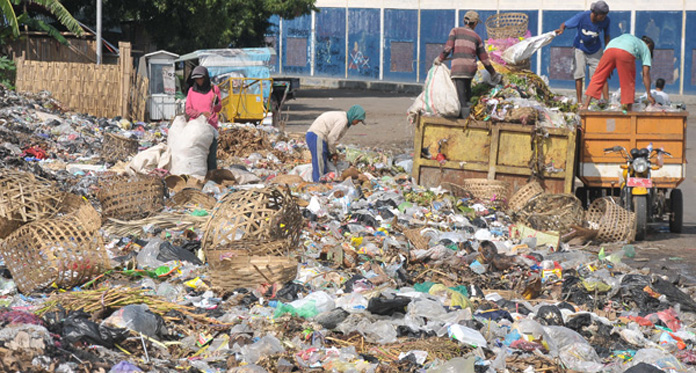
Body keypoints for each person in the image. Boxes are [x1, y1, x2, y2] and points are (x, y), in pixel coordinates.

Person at [434, 10, 500, 119]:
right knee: (467, 92)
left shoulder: (455, 31)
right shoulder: (476, 37)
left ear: (464, 20)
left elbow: (448, 48)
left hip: (458, 69)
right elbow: (485, 60)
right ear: (474, 23)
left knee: (461, 97)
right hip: (470, 70)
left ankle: (464, 121)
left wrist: (440, 59)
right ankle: (469, 113)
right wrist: (493, 73)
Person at [555, 1, 611, 104]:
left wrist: (607, 51)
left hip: (596, 49)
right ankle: (580, 102)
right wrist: (561, 30)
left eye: (605, 16)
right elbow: (564, 24)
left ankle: (607, 101)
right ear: (594, 13)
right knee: (579, 75)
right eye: (602, 16)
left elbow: (606, 36)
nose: (603, 18)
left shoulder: (606, 21)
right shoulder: (582, 17)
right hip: (580, 48)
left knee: (602, 75)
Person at [581, 34, 655, 111]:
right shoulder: (645, 48)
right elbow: (645, 73)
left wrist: (609, 68)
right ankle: (628, 110)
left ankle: (586, 105)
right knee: (628, 82)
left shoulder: (631, 38)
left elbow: (615, 51)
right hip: (626, 52)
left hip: (609, 49)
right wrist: (648, 94)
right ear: (649, 45)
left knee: (598, 76)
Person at [306, 105, 366, 182]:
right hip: (316, 135)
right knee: (319, 163)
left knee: (324, 161)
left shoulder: (345, 120)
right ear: (354, 116)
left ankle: (324, 181)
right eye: (358, 120)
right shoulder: (343, 120)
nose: (358, 123)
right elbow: (331, 138)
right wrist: (334, 153)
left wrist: (331, 153)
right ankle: (318, 183)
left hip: (321, 138)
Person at [185, 65, 222, 171]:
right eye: (197, 79)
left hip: (211, 127)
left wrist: (216, 103)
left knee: (211, 157)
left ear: (205, 78)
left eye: (201, 78)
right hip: (195, 129)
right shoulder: (192, 91)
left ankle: (211, 177)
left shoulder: (214, 90)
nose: (199, 81)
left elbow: (218, 109)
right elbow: (188, 110)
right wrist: (201, 114)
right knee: (196, 156)